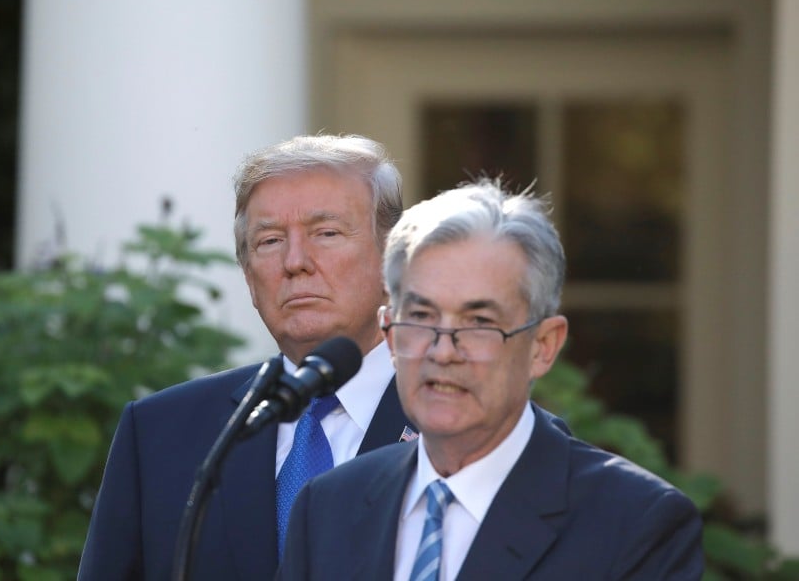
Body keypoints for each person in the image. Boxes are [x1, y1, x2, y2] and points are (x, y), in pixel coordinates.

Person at [277, 180, 704, 581]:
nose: (442, 351)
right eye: (421, 317)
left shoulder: (635, 522)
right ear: (389, 333)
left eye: (479, 322)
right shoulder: (328, 506)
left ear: (543, 346)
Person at [78, 134, 414, 581]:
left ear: (395, 258)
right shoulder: (161, 433)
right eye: (270, 241)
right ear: (248, 274)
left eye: (326, 233)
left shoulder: (458, 421)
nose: (295, 261)